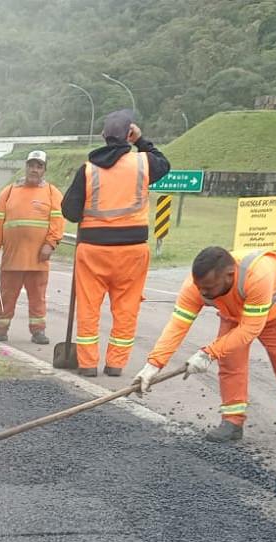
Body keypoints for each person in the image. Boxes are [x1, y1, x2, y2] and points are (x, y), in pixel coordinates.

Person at [133, 246, 276, 442]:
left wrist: (208, 353)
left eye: (209, 288)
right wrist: (153, 365)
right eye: (200, 287)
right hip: (237, 311)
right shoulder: (196, 286)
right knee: (230, 361)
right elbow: (177, 325)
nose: (203, 292)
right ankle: (233, 421)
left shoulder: (257, 276)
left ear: (230, 275)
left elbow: (249, 329)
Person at [61, 109, 170, 377]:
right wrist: (141, 141)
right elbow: (164, 164)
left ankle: (87, 364)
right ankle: (115, 364)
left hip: (93, 252)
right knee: (126, 309)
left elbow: (70, 212)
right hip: (132, 251)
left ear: (102, 136)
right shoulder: (143, 163)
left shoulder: (87, 170)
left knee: (88, 308)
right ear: (129, 134)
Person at [0, 150, 65, 345]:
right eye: (31, 165)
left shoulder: (52, 193)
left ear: (44, 170)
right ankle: (0, 329)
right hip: (12, 257)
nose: (34, 169)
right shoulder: (8, 192)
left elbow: (57, 221)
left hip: (38, 258)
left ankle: (38, 331)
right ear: (26, 167)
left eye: (39, 166)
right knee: (6, 294)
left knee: (38, 296)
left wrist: (50, 244)